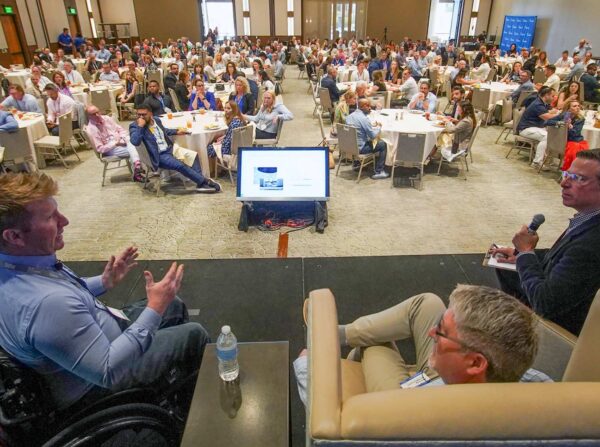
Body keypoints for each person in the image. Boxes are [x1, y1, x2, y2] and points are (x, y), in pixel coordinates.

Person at [0, 172, 210, 411]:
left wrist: (103, 282)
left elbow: (68, 296)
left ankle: (172, 380)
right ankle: (194, 413)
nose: (64, 221)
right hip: (98, 384)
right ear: (14, 236)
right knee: (194, 335)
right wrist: (155, 307)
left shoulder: (21, 264)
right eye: (50, 217)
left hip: (93, 342)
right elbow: (108, 371)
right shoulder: (46, 304)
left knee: (174, 304)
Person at [295, 285, 541, 402]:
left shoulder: (416, 417)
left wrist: (306, 365)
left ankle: (329, 338)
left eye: (442, 332)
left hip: (402, 398)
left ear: (475, 362)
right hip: (446, 378)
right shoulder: (538, 386)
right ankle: (342, 334)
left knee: (371, 343)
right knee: (427, 303)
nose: (432, 332)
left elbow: (328, 426)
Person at [492, 149, 600, 335]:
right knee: (504, 269)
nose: (564, 183)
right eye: (567, 174)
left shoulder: (591, 243)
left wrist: (526, 252)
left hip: (561, 329)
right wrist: (521, 255)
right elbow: (566, 259)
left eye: (579, 179)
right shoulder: (588, 219)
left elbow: (544, 304)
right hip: (560, 296)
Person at [129, 103, 221, 193]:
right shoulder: (135, 126)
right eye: (139, 115)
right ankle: (204, 181)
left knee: (193, 155)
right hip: (159, 155)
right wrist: (140, 126)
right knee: (180, 165)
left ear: (151, 113)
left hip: (170, 149)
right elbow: (135, 141)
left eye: (144, 114)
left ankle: (200, 183)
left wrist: (177, 131)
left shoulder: (156, 120)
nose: (141, 117)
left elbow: (165, 131)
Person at [85, 105, 143, 181]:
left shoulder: (106, 118)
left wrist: (123, 139)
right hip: (110, 149)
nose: (97, 115)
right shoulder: (91, 129)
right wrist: (115, 143)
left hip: (121, 140)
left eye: (98, 112)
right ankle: (138, 167)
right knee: (138, 149)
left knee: (132, 141)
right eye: (94, 114)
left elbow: (121, 130)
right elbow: (100, 149)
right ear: (89, 116)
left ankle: (137, 167)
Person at [345, 98, 388, 179]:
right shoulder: (364, 119)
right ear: (363, 106)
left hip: (350, 147)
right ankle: (379, 171)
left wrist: (370, 127)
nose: (370, 108)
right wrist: (379, 127)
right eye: (368, 106)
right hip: (361, 148)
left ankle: (357, 163)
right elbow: (372, 136)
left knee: (368, 140)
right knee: (382, 144)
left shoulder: (349, 116)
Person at [518, 86, 560, 167]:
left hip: (534, 127)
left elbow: (548, 113)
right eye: (552, 96)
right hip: (526, 129)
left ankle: (547, 159)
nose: (554, 98)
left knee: (553, 134)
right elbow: (547, 117)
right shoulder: (538, 104)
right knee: (547, 137)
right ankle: (537, 162)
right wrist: (561, 115)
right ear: (546, 95)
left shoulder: (542, 103)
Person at [546, 99, 589, 171]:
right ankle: (571, 171)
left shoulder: (580, 119)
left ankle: (576, 171)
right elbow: (547, 122)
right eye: (574, 106)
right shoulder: (563, 115)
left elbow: (575, 134)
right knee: (575, 149)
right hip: (562, 142)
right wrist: (561, 123)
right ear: (569, 109)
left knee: (577, 149)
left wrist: (570, 126)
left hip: (575, 141)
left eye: (578, 106)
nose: (578, 107)